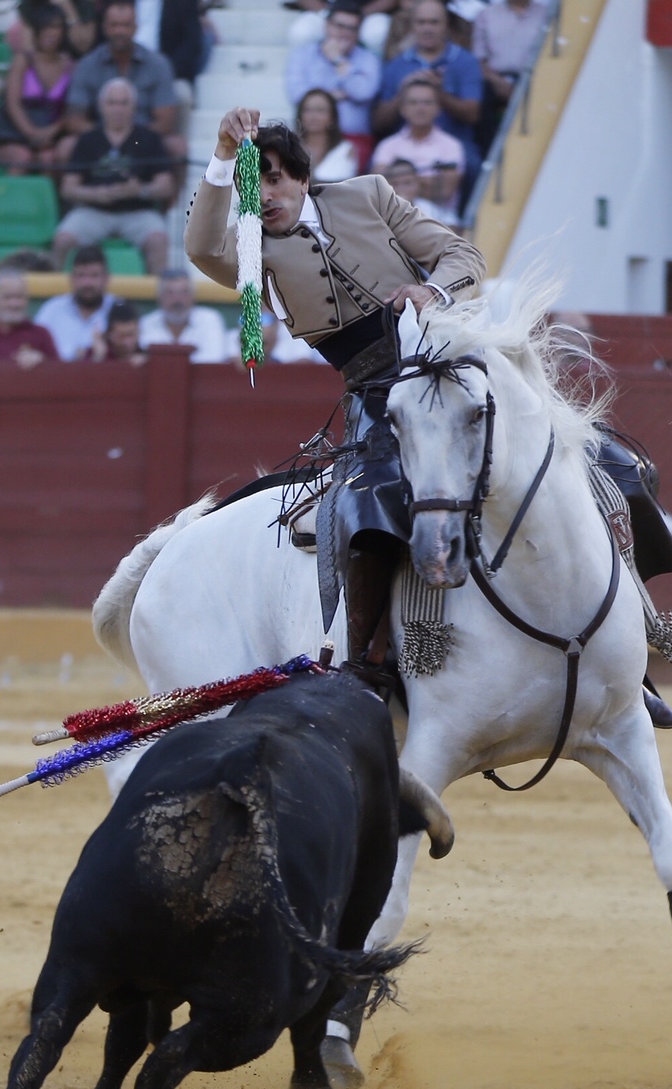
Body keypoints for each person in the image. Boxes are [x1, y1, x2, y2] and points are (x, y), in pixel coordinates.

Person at [185, 106, 485, 682]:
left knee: (597, 463)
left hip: (450, 365)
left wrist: (431, 290)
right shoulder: (252, 252)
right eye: (255, 183)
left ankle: (624, 656)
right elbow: (200, 246)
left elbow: (462, 256)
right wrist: (226, 155)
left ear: (301, 177)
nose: (265, 194)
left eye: (273, 178)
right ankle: (370, 662)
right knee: (371, 505)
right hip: (375, 396)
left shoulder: (367, 193)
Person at [53, 78, 174, 274]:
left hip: (137, 211)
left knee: (159, 240)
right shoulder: (88, 140)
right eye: (112, 103)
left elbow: (165, 185)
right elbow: (68, 188)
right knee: (63, 240)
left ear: (134, 107)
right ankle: (56, 296)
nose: (118, 109)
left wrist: (141, 190)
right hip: (94, 211)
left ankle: (156, 300)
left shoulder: (149, 139)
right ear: (101, 106)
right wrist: (97, 194)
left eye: (123, 103)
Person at [372, 0, 482, 190]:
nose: (427, 28)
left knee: (472, 165)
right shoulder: (397, 65)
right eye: (421, 22)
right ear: (412, 26)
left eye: (434, 22)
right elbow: (378, 124)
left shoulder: (466, 62)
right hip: (405, 142)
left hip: (453, 141)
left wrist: (439, 93)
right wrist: (403, 94)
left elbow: (473, 114)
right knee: (374, 170)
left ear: (446, 25)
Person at [64, 0, 186, 166]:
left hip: (144, 140)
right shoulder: (87, 64)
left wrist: (130, 138)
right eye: (114, 25)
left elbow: (165, 121)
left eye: (126, 25)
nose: (119, 31)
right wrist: (109, 136)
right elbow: (74, 120)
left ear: (136, 27)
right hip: (98, 139)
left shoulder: (158, 64)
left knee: (177, 146)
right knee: (65, 147)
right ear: (104, 27)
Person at [0, 4, 75, 175]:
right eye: (46, 26)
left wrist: (52, 131)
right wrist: (31, 132)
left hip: (50, 136)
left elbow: (71, 108)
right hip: (12, 134)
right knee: (22, 156)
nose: (51, 32)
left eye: (56, 26)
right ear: (36, 30)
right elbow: (12, 103)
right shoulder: (22, 60)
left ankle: (46, 202)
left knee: (49, 158)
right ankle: (8, 201)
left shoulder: (70, 66)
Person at [370, 73, 464, 225]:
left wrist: (399, 181)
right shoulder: (387, 145)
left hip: (440, 222)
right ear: (402, 109)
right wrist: (425, 182)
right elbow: (378, 189)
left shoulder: (451, 145)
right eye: (413, 103)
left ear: (438, 108)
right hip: (391, 220)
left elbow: (445, 192)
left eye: (427, 102)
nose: (420, 108)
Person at [284, 5, 381, 148]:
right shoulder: (302, 55)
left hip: (354, 139)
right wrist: (337, 95)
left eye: (352, 28)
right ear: (327, 25)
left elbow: (363, 92)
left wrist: (338, 60)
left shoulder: (369, 59)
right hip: (310, 137)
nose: (345, 33)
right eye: (340, 26)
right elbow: (297, 96)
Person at [472, 0, 546, 153]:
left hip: (536, 80)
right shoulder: (486, 15)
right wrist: (499, 83)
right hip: (495, 81)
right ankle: (489, 153)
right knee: (479, 94)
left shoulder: (546, 16)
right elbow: (479, 62)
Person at [35, 244, 116, 360]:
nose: (87, 283)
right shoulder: (52, 309)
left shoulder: (119, 309)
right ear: (71, 279)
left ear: (106, 279)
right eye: (81, 275)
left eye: (94, 276)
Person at [138, 268, 227, 361]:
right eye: (170, 293)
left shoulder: (210, 320)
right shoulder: (146, 324)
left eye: (184, 292)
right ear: (159, 297)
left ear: (193, 296)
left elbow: (214, 359)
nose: (178, 299)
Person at [286, 0, 397, 59]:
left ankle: (372, 83)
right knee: (301, 33)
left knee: (376, 34)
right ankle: (307, 90)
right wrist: (331, 15)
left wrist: (360, 14)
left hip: (368, 13)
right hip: (325, 11)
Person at [296, 88, 360, 183]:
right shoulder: (290, 148)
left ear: (332, 117)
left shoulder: (346, 150)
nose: (314, 116)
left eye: (320, 110)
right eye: (308, 110)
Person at [87, 299, 148, 363]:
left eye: (131, 335)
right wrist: (99, 356)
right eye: (121, 336)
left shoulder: (147, 354)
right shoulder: (95, 354)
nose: (127, 342)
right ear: (109, 334)